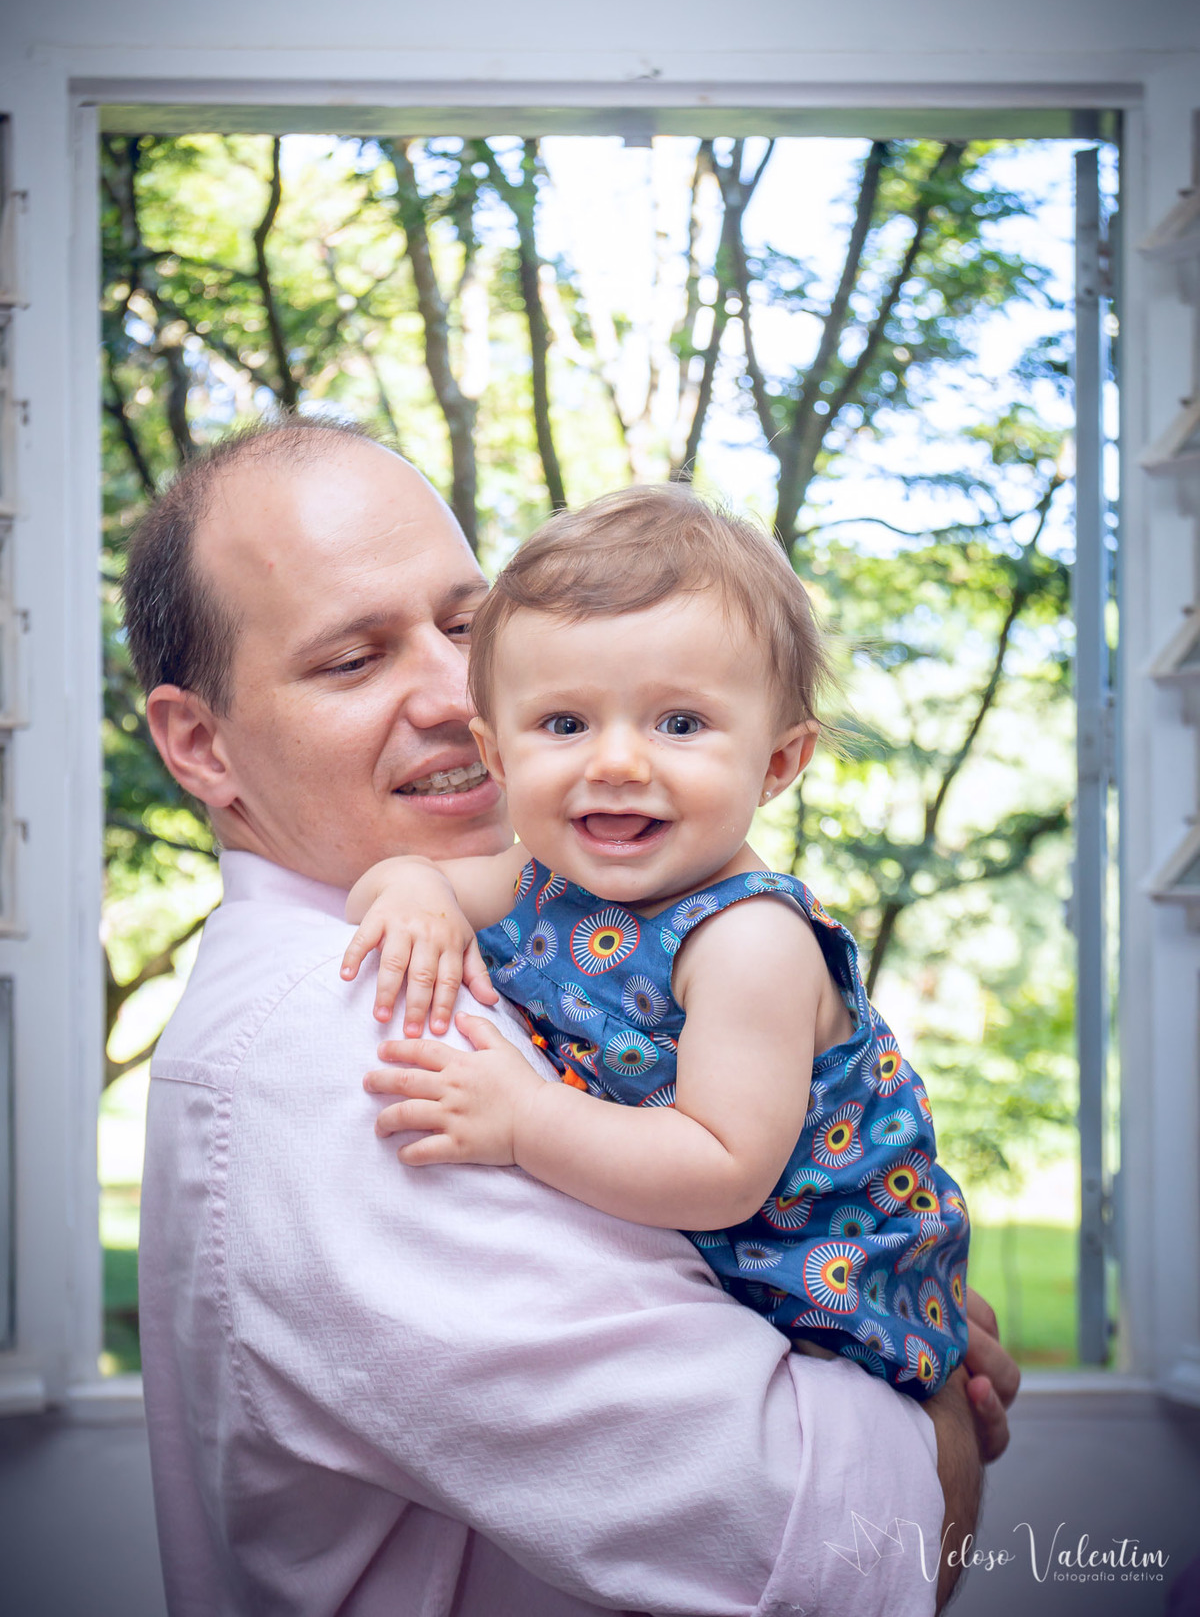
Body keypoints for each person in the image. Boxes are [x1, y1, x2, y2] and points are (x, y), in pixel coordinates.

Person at [130, 417, 1017, 1616]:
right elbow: (841, 1547)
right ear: (201, 744)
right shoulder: (363, 1036)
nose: (456, 693)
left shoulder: (515, 931)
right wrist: (934, 1407)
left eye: (464, 624)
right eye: (352, 659)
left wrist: (862, 1290)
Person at [344, 486, 968, 1396]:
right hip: (707, 1272)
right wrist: (409, 894)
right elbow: (410, 875)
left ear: (779, 762)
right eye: (566, 723)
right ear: (500, 754)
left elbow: (720, 1171)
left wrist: (525, 1121)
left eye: (680, 724)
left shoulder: (749, 940)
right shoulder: (536, 877)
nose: (618, 762)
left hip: (825, 1292)